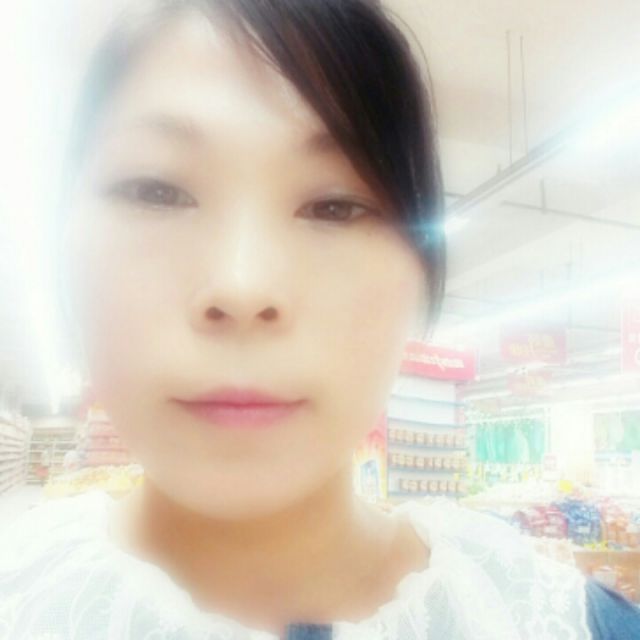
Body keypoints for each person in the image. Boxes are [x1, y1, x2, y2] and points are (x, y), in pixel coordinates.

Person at [1, 1, 639, 638]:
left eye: (334, 206)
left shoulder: (555, 621)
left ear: (420, 269)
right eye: (157, 191)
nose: (242, 286)